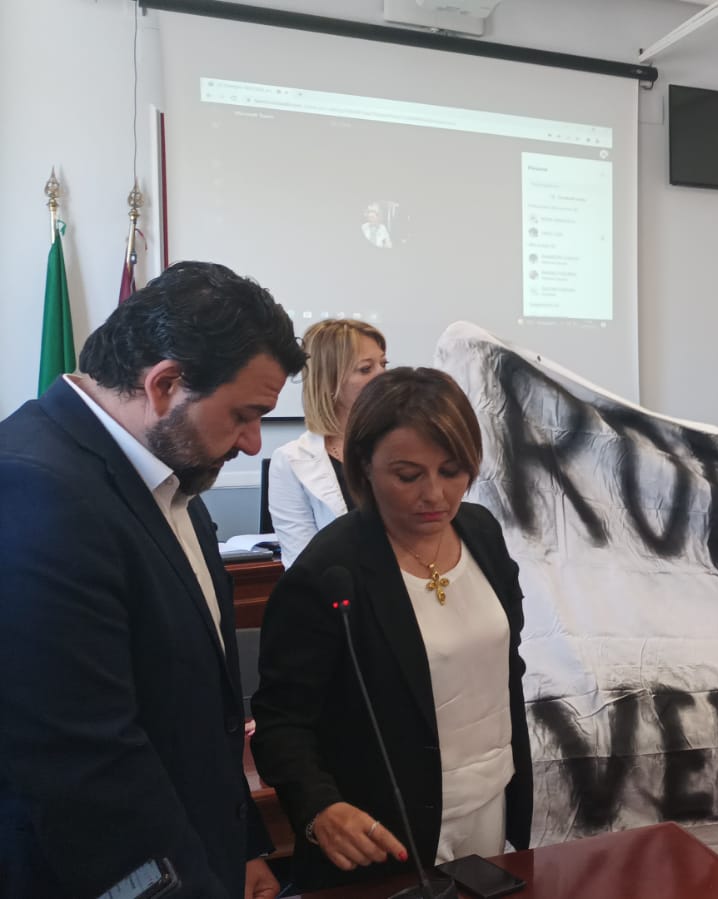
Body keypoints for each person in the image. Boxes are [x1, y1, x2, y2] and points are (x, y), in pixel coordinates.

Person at [0, 261, 304, 898]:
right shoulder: (35, 489)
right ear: (164, 384)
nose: (254, 444)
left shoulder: (169, 471)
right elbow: (85, 765)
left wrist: (243, 845)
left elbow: (202, 710)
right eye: (245, 415)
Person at [251, 367, 532, 891]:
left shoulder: (482, 533)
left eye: (453, 470)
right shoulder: (330, 570)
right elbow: (281, 719)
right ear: (362, 465)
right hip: (386, 829)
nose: (436, 495)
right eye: (408, 475)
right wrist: (319, 807)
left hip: (489, 801)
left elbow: (504, 664)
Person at [269, 319, 388, 566]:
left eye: (383, 364)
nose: (383, 376)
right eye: (366, 369)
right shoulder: (291, 461)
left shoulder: (402, 443)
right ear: (330, 380)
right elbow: (302, 565)